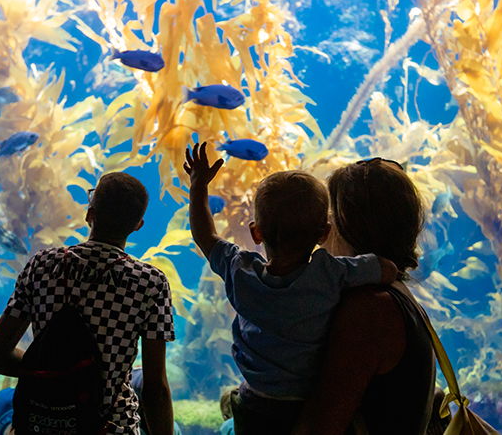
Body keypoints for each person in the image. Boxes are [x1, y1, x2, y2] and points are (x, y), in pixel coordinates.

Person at [184, 143, 398, 435]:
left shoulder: (240, 271)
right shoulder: (330, 273)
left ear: (256, 233)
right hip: (305, 406)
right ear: (324, 233)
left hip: (253, 402)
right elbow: (386, 269)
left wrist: (198, 186)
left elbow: (204, 234)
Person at [0, 172, 176, 435]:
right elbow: (156, 389)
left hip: (44, 424)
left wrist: (54, 374)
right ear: (138, 225)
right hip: (111, 427)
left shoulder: (42, 265)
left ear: (89, 214)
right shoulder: (150, 283)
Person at [292, 158, 437, 435]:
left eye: (326, 219)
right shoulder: (397, 295)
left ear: (349, 225)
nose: (320, 235)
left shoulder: (371, 309)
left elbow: (318, 427)